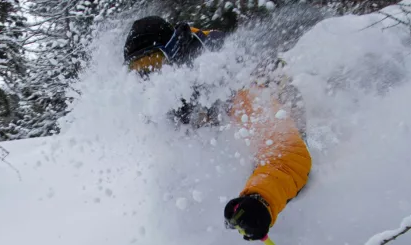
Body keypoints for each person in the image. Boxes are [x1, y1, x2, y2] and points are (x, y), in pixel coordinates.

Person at [123, 16, 313, 242]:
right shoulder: (160, 97)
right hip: (222, 118)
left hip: (278, 108)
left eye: (154, 61)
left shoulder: (227, 76)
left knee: (285, 183)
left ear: (174, 51)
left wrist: (260, 200)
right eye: (138, 69)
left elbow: (286, 154)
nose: (149, 75)